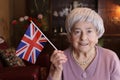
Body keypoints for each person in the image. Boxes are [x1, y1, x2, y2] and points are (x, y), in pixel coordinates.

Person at [47, 8, 120, 80]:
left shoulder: (110, 58)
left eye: (89, 31)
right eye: (77, 32)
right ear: (70, 36)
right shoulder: (60, 59)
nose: (83, 37)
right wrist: (56, 71)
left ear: (97, 35)